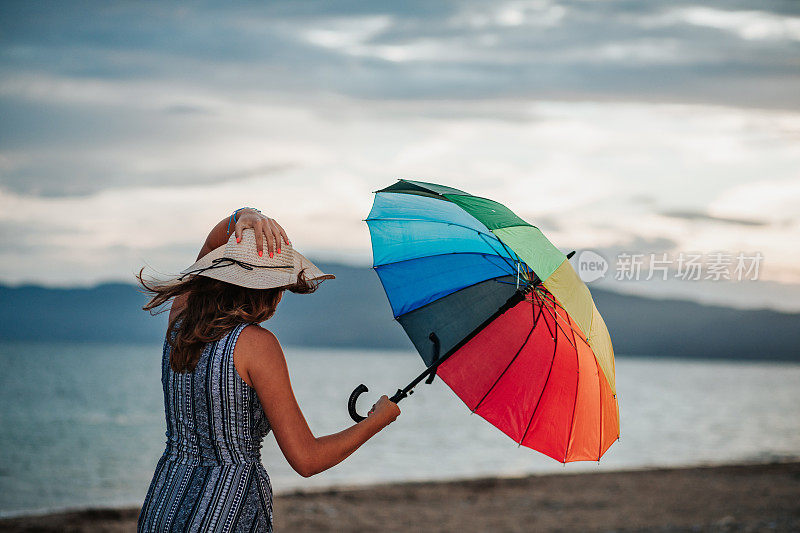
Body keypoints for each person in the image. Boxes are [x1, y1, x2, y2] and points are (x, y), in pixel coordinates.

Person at [136, 208, 401, 532]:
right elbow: (307, 459)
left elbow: (206, 250)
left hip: (165, 502)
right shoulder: (256, 345)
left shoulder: (180, 318)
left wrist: (243, 217)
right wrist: (377, 421)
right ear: (270, 290)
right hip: (226, 511)